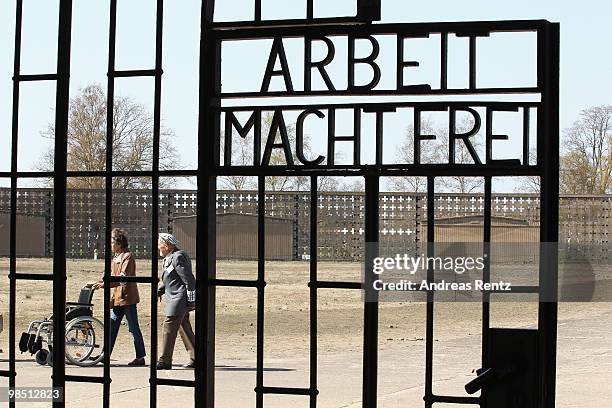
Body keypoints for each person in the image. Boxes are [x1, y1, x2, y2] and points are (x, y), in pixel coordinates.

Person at [92, 228, 146, 366]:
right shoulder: (116, 257)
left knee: (133, 327)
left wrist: (105, 284)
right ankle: (105, 355)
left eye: (112, 241)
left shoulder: (128, 256)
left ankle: (140, 357)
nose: (110, 244)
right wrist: (101, 283)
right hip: (117, 298)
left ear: (119, 242)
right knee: (112, 327)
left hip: (127, 298)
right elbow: (111, 277)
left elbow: (123, 277)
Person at [156, 233, 196, 370]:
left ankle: (164, 361)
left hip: (178, 300)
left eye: (160, 244)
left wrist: (192, 301)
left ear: (167, 246)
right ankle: (197, 357)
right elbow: (171, 278)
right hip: (175, 299)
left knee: (168, 328)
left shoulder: (177, 257)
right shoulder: (170, 257)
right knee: (184, 329)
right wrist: (160, 290)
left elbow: (189, 280)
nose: (158, 247)